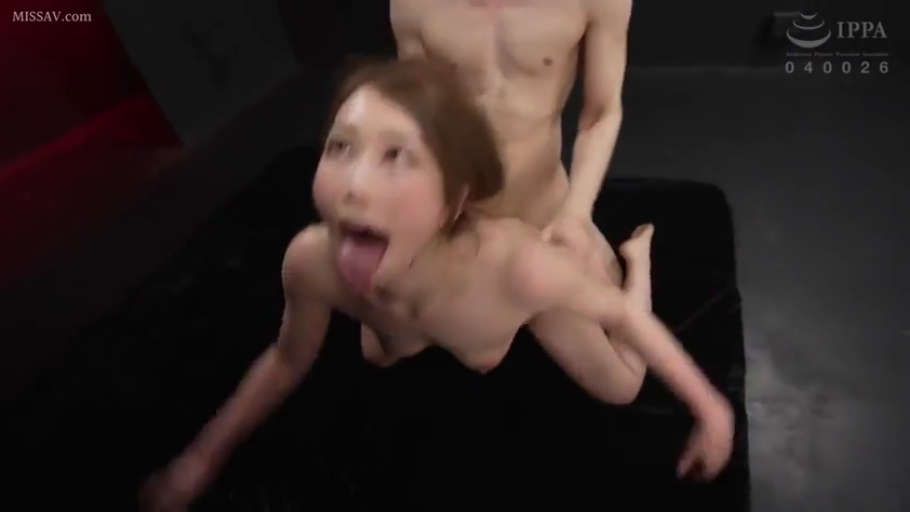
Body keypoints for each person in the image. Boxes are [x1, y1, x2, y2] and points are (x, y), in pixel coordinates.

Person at [140, 59, 733, 512]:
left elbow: (625, 321)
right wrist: (198, 462)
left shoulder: (521, 271)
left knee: (623, 386)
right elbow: (286, 360)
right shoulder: (312, 263)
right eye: (340, 147)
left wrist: (712, 410)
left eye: (397, 157)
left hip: (503, 305)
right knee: (380, 352)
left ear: (454, 201)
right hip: (408, 323)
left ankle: (637, 264)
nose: (354, 185)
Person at [376, 0, 642, 386]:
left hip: (543, 208)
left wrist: (576, 215)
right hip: (461, 217)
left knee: (618, 370)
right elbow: (419, 118)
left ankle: (638, 259)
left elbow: (602, 111)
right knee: (381, 348)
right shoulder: (413, 4)